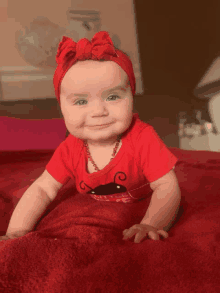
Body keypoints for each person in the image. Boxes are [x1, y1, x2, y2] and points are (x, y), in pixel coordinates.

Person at [0, 31, 181, 244]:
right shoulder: (70, 148)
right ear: (61, 109)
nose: (98, 111)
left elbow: (166, 185)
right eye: (80, 102)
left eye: (113, 97)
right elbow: (43, 188)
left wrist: (152, 223)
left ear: (131, 97)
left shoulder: (142, 137)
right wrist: (16, 232)